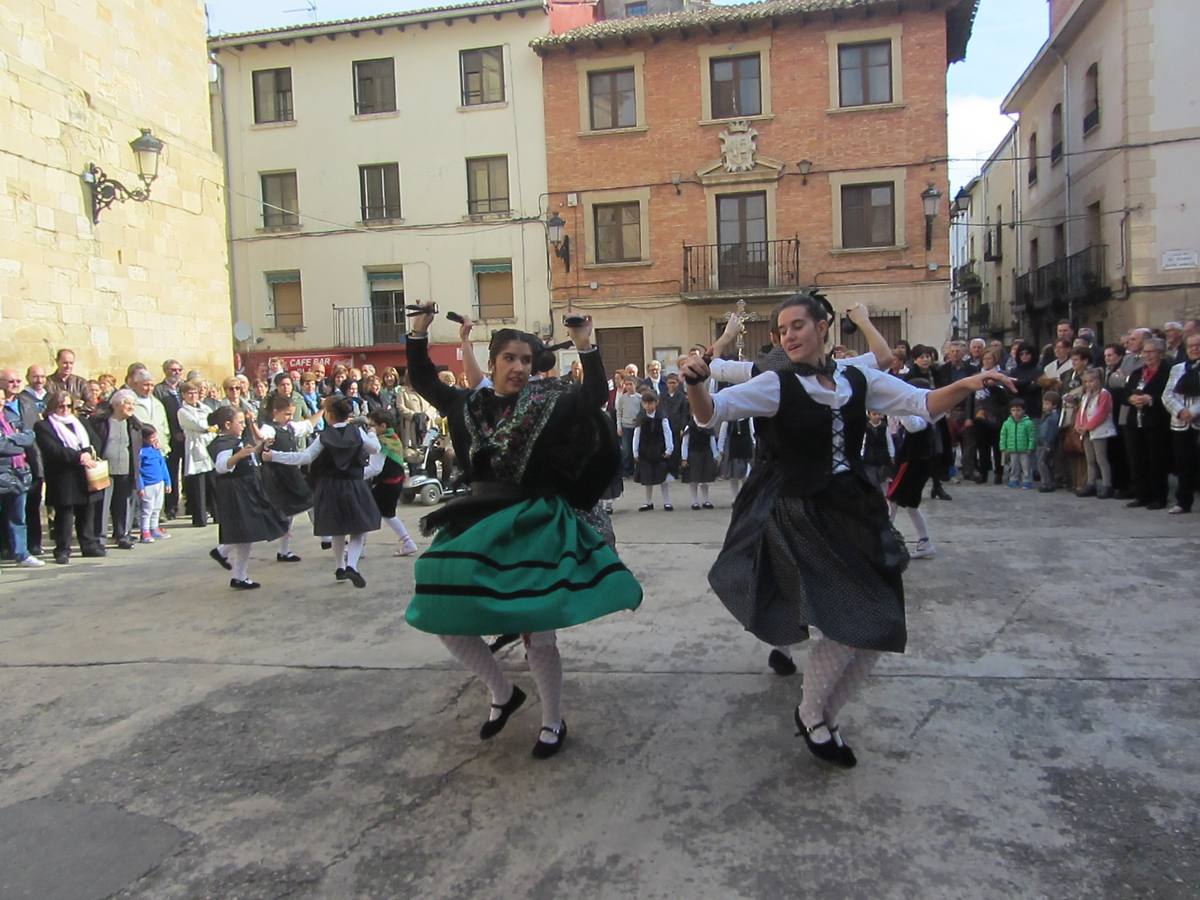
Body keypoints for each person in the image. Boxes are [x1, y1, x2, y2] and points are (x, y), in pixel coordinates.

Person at [681, 292, 1016, 767]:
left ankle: (823, 716)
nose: (788, 335)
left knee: (879, 624)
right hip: (803, 514)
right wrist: (696, 382)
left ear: (824, 327)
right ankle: (810, 714)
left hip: (855, 508)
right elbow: (709, 413)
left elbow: (921, 402)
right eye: (782, 330)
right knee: (843, 622)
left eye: (797, 325)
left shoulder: (856, 376)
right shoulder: (775, 384)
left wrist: (968, 382)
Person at [402, 309, 642, 759]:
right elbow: (423, 380)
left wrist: (585, 342)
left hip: (534, 520)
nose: (518, 367)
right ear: (492, 362)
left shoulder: (549, 402)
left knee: (539, 631)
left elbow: (592, 394)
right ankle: (502, 690)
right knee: (441, 608)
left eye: (526, 360)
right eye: (509, 358)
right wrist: (418, 332)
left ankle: (553, 720)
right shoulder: (465, 404)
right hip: (477, 519)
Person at [262, 395, 382, 588]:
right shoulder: (358, 432)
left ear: (329, 415)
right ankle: (351, 564)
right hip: (354, 484)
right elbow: (375, 449)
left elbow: (305, 457)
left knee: (337, 529)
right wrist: (373, 433)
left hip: (330, 486)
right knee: (358, 530)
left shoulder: (324, 436)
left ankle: (339, 567)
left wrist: (274, 455)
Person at [206, 405, 288, 590]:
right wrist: (238, 456)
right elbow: (221, 466)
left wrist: (260, 447)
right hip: (235, 491)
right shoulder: (223, 444)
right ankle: (232, 565)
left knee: (246, 532)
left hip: (246, 487)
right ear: (227, 424)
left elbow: (247, 456)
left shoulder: (236, 440)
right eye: (240, 422)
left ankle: (233, 566)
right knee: (245, 530)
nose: (243, 426)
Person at [34, 392, 105, 564]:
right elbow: (52, 449)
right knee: (64, 514)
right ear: (52, 407)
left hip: (85, 473)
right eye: (61, 406)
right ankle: (62, 549)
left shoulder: (79, 422)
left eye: (68, 406)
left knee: (87, 511)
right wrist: (79, 457)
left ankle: (88, 544)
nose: (65, 409)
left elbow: (94, 441)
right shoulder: (44, 426)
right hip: (63, 475)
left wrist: (88, 454)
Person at [256, 393, 321, 563]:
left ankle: (284, 551)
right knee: (305, 504)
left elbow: (308, 425)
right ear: (275, 412)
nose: (290, 418)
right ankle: (326, 538)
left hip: (291, 472)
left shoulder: (291, 427)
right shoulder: (270, 428)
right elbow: (261, 437)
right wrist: (260, 437)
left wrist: (323, 409)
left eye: (292, 414)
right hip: (279, 475)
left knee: (297, 509)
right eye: (286, 414)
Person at [886, 382, 938, 556]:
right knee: (908, 504)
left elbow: (912, 425)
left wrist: (895, 404)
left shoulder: (922, 418)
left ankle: (885, 539)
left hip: (913, 465)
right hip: (910, 463)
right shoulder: (920, 416)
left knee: (893, 500)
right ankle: (924, 541)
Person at [91, 389, 143, 550]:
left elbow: (144, 433)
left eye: (133, 404)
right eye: (128, 403)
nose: (131, 407)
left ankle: (122, 534)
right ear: (116, 404)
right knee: (103, 505)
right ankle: (100, 538)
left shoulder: (133, 424)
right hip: (105, 468)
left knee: (124, 503)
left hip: (126, 469)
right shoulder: (101, 422)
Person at [1123, 339, 1172, 510]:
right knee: (1137, 460)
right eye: (1145, 352)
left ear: (1160, 353)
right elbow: (1125, 393)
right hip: (1135, 421)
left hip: (1157, 422)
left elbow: (1170, 395)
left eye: (1151, 352)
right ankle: (1142, 495)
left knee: (1156, 460)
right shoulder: (1138, 372)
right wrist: (1131, 398)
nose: (1148, 355)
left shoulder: (1169, 371)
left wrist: (1151, 399)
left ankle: (1159, 497)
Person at [3, 368, 45, 558]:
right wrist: (17, 440)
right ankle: (7, 548)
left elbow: (32, 434)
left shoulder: (26, 403)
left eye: (18, 381)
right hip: (4, 467)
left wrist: (14, 439)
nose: (16, 384)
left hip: (27, 464)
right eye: (11, 381)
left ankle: (29, 547)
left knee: (27, 509)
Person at [364, 408, 419, 556]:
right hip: (395, 482)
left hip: (386, 484)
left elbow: (375, 468)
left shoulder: (382, 442)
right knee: (388, 514)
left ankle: (358, 548)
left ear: (382, 426)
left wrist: (356, 475)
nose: (370, 428)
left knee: (365, 512)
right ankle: (408, 542)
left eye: (372, 425)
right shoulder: (393, 437)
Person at [1162, 333, 1200, 514]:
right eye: (1191, 346)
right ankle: (1183, 502)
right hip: (1179, 423)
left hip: (1197, 421)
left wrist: (1193, 412)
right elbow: (1167, 394)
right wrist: (1180, 411)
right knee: (1182, 464)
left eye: (1198, 345)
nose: (1194, 348)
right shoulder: (1178, 368)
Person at [178, 380, 217, 528]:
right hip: (195, 447)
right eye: (189, 393)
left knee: (213, 482)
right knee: (199, 485)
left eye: (195, 392)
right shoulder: (182, 411)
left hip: (209, 445)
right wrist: (209, 427)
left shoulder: (205, 407)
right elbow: (198, 425)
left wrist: (210, 427)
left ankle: (217, 514)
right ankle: (200, 518)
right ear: (183, 395)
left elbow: (214, 421)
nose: (193, 396)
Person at [1075, 367, 1116, 498]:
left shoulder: (1104, 394)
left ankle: (1107, 485)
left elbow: (1101, 414)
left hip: (1099, 430)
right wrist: (1079, 425)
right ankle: (1090, 483)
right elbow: (1080, 412)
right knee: (1090, 459)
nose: (1088, 384)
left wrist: (1087, 426)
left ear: (1099, 380)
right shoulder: (1086, 395)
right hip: (1086, 431)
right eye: (1086, 382)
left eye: (1091, 381)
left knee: (1101, 459)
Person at [153, 360, 186, 520]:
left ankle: (189, 503)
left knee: (188, 472)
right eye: (173, 370)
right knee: (171, 472)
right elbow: (162, 415)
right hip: (171, 437)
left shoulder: (184, 387)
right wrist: (174, 433)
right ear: (165, 370)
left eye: (179, 369)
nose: (176, 372)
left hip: (188, 435)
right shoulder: (159, 390)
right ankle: (170, 506)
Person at [632, 390, 674, 511]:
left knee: (663, 477)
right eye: (646, 403)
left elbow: (668, 433)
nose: (648, 406)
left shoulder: (662, 417)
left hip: (659, 450)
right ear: (642, 404)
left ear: (656, 403)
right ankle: (648, 502)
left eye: (651, 403)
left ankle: (667, 501)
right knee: (647, 477)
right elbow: (636, 435)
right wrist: (635, 452)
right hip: (645, 451)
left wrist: (669, 449)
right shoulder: (641, 418)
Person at [136, 425, 172, 542]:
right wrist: (140, 486)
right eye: (152, 437)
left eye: (155, 436)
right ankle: (145, 531)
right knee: (147, 509)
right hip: (148, 485)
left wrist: (167, 481)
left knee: (157, 507)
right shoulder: (141, 452)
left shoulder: (156, 450)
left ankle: (154, 528)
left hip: (159, 482)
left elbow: (163, 465)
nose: (155, 439)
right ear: (144, 438)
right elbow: (138, 471)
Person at [680, 420, 718, 509]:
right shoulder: (689, 427)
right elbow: (685, 443)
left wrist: (715, 455)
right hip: (694, 454)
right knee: (694, 478)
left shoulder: (709, 426)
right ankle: (694, 501)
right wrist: (684, 458)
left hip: (706, 453)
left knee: (705, 479)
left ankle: (706, 500)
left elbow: (712, 441)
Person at [999, 399, 1036, 489]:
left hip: (1025, 450)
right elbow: (1003, 436)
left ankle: (1027, 481)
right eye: (1013, 410)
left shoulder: (1028, 423)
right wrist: (1003, 448)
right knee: (1014, 466)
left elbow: (1032, 436)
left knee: (1026, 467)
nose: (1016, 412)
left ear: (1024, 410)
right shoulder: (1007, 423)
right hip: (1012, 449)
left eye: (1018, 410)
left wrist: (1030, 447)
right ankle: (1013, 480)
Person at [615, 375, 642, 477]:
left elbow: (642, 412)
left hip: (636, 427)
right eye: (626, 384)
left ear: (635, 385)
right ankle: (627, 470)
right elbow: (619, 413)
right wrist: (619, 426)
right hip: (625, 427)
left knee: (636, 448)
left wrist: (639, 421)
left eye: (631, 384)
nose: (629, 387)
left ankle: (637, 470)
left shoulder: (639, 398)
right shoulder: (622, 398)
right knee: (626, 450)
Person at [861, 410, 893, 492]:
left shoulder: (884, 427)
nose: (877, 416)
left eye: (878, 414)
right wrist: (861, 455)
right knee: (872, 481)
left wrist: (892, 455)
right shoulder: (865, 427)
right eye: (874, 414)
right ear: (869, 415)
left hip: (883, 458)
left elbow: (889, 442)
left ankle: (887, 500)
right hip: (869, 458)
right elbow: (863, 443)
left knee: (885, 482)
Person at [1035, 391, 1061, 493]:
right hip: (1042, 442)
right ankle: (1048, 481)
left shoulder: (1053, 416)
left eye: (1047, 404)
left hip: (1047, 443)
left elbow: (1052, 431)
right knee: (1044, 463)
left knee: (1042, 463)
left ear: (1054, 405)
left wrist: (1048, 443)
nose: (1044, 406)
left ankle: (1046, 483)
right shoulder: (1046, 415)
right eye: (1044, 403)